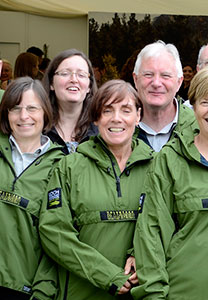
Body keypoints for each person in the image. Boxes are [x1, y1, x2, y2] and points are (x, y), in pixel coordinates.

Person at [132, 66, 208, 299]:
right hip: (182, 293)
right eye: (205, 102)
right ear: (194, 107)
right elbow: (151, 235)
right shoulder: (170, 159)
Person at [39, 79, 154, 300]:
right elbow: (54, 232)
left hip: (140, 292)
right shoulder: (69, 167)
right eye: (107, 110)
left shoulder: (158, 166)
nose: (116, 118)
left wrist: (140, 255)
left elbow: (166, 225)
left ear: (138, 116)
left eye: (126, 110)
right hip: (81, 292)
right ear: (95, 118)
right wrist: (106, 275)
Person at [0, 77, 64, 299]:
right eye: (15, 108)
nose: (23, 116)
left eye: (32, 108)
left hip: (24, 288)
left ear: (45, 112)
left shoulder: (61, 166)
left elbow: (57, 237)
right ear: (6, 114)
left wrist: (42, 291)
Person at [133, 40, 196, 152]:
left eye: (165, 76)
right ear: (135, 79)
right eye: (148, 74)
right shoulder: (119, 127)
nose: (156, 83)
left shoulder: (197, 126)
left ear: (179, 82)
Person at [42, 49, 98, 154]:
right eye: (65, 73)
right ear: (51, 83)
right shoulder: (38, 129)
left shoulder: (100, 131)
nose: (74, 79)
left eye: (81, 75)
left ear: (89, 86)